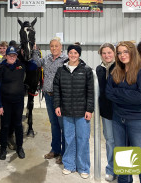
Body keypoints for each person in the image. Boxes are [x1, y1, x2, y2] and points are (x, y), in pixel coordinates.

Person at [106, 41, 141, 183]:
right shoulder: (116, 71)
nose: (122, 55)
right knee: (124, 157)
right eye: (119, 53)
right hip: (119, 119)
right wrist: (127, 94)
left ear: (133, 52)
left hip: (139, 121)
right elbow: (108, 93)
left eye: (125, 51)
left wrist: (118, 92)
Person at [53, 44, 94, 179]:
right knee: (69, 138)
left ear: (79, 55)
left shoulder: (86, 70)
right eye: (71, 52)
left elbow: (90, 91)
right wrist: (57, 105)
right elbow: (57, 89)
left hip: (82, 112)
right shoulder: (61, 70)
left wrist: (89, 109)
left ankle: (83, 167)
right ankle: (69, 165)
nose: (73, 55)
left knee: (82, 139)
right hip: (66, 111)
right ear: (68, 54)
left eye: (76, 53)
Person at [32, 37, 67, 164]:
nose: (54, 48)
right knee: (54, 123)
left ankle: (64, 153)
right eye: (52, 46)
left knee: (63, 124)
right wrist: (35, 49)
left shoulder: (65, 60)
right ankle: (55, 149)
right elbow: (36, 63)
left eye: (56, 46)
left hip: (61, 97)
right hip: (48, 95)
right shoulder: (46, 58)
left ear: (61, 47)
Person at [0, 46, 26, 160]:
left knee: (18, 125)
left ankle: (20, 147)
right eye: (10, 55)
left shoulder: (21, 66)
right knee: (5, 125)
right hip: (5, 102)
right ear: (6, 56)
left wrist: (33, 51)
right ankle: (3, 148)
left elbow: (33, 65)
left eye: (14, 55)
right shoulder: (1, 68)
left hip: (18, 102)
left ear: (16, 56)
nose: (12, 57)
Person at [96, 43, 116, 182]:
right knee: (110, 141)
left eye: (109, 52)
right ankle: (111, 169)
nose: (107, 55)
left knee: (125, 141)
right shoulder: (99, 69)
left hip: (123, 113)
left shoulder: (121, 67)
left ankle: (125, 172)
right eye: (104, 53)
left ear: (114, 53)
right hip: (107, 113)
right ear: (100, 54)